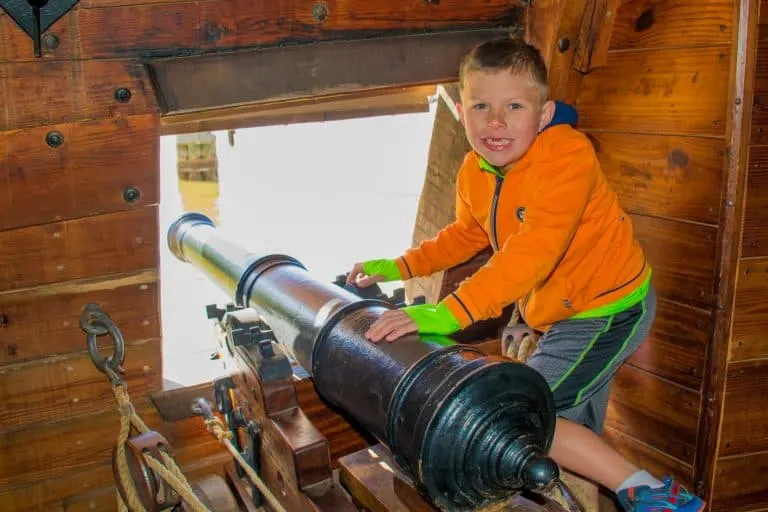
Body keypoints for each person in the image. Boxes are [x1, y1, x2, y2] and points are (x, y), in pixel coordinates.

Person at [346, 37, 705, 512]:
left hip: (607, 309)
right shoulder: (475, 170)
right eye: (481, 106)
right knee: (568, 434)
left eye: (513, 106)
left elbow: (532, 254)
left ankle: (656, 495)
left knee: (519, 413)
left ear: (542, 113)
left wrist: (445, 315)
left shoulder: (566, 158)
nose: (495, 122)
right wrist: (399, 266)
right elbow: (465, 235)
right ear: (461, 111)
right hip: (563, 314)